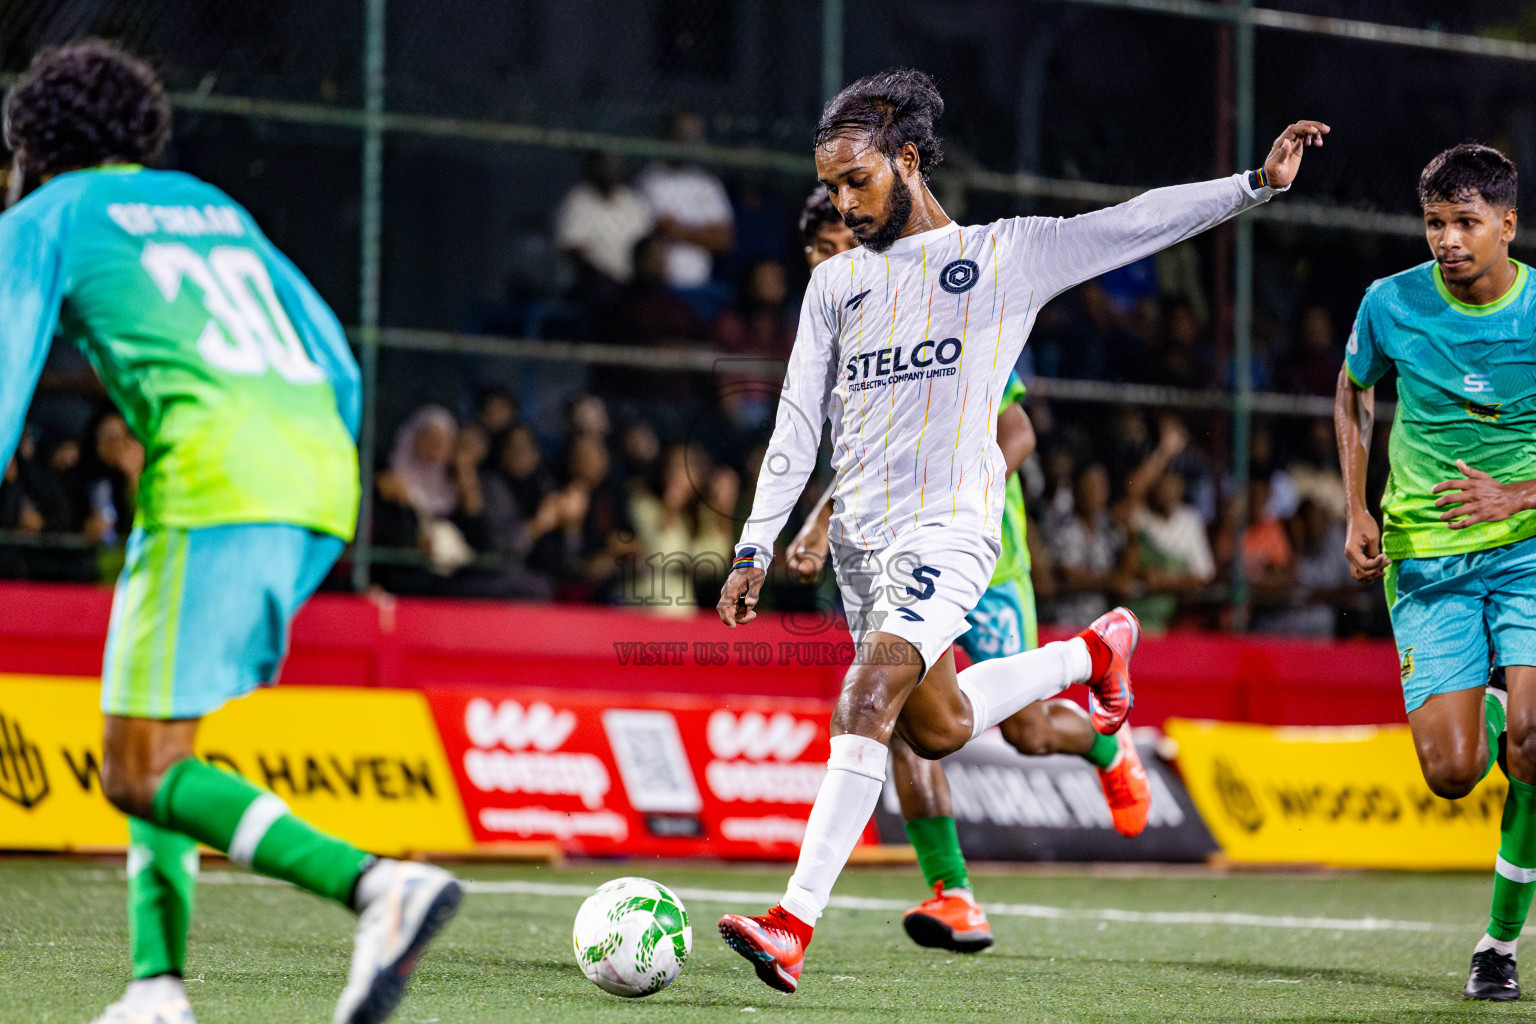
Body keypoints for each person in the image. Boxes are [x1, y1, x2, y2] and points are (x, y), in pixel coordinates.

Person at [715, 67, 1326, 993]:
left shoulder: (1003, 257)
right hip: (863, 549)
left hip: (954, 534)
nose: (841, 203)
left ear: (908, 161)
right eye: (831, 187)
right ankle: (1093, 654)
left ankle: (793, 922)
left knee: (865, 701)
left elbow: (1132, 222)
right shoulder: (835, 285)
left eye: (857, 183)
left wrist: (1253, 186)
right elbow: (798, 426)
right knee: (940, 728)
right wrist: (755, 544)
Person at [0, 42, 459, 1024]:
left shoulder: (45, 217)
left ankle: (379, 886)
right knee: (161, 735)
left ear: (30, 149)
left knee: (136, 766)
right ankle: (156, 988)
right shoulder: (215, 208)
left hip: (211, 474)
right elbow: (334, 357)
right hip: (316, 471)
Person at [785, 186, 1151, 955]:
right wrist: (818, 525)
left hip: (982, 549)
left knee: (1021, 731)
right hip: (899, 553)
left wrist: (959, 489)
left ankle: (1105, 744)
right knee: (907, 719)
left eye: (838, 245)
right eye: (816, 252)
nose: (828, 262)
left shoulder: (944, 308)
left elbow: (1015, 430)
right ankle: (953, 894)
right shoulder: (845, 328)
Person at [1336, 143, 1536, 1002]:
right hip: (1425, 559)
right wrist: (1356, 507)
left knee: (1533, 744)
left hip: (1528, 547)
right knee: (1453, 772)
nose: (1448, 240)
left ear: (1507, 225)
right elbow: (1353, 393)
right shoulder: (1390, 303)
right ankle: (1500, 705)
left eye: (1466, 223)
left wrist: (1516, 493)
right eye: (1434, 223)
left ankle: (1498, 943)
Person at [635, 111, 735, 307]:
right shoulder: (650, 180)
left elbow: (724, 239)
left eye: (691, 137)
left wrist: (678, 230)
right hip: (661, 286)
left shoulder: (707, 183)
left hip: (702, 286)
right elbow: (659, 229)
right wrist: (704, 233)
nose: (686, 142)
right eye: (680, 135)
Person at [554, 149, 654, 314]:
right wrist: (608, 278)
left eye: (613, 164)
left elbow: (647, 244)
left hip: (633, 282)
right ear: (590, 167)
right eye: (603, 164)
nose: (609, 169)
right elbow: (573, 250)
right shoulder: (578, 201)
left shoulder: (633, 202)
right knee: (610, 298)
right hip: (591, 282)